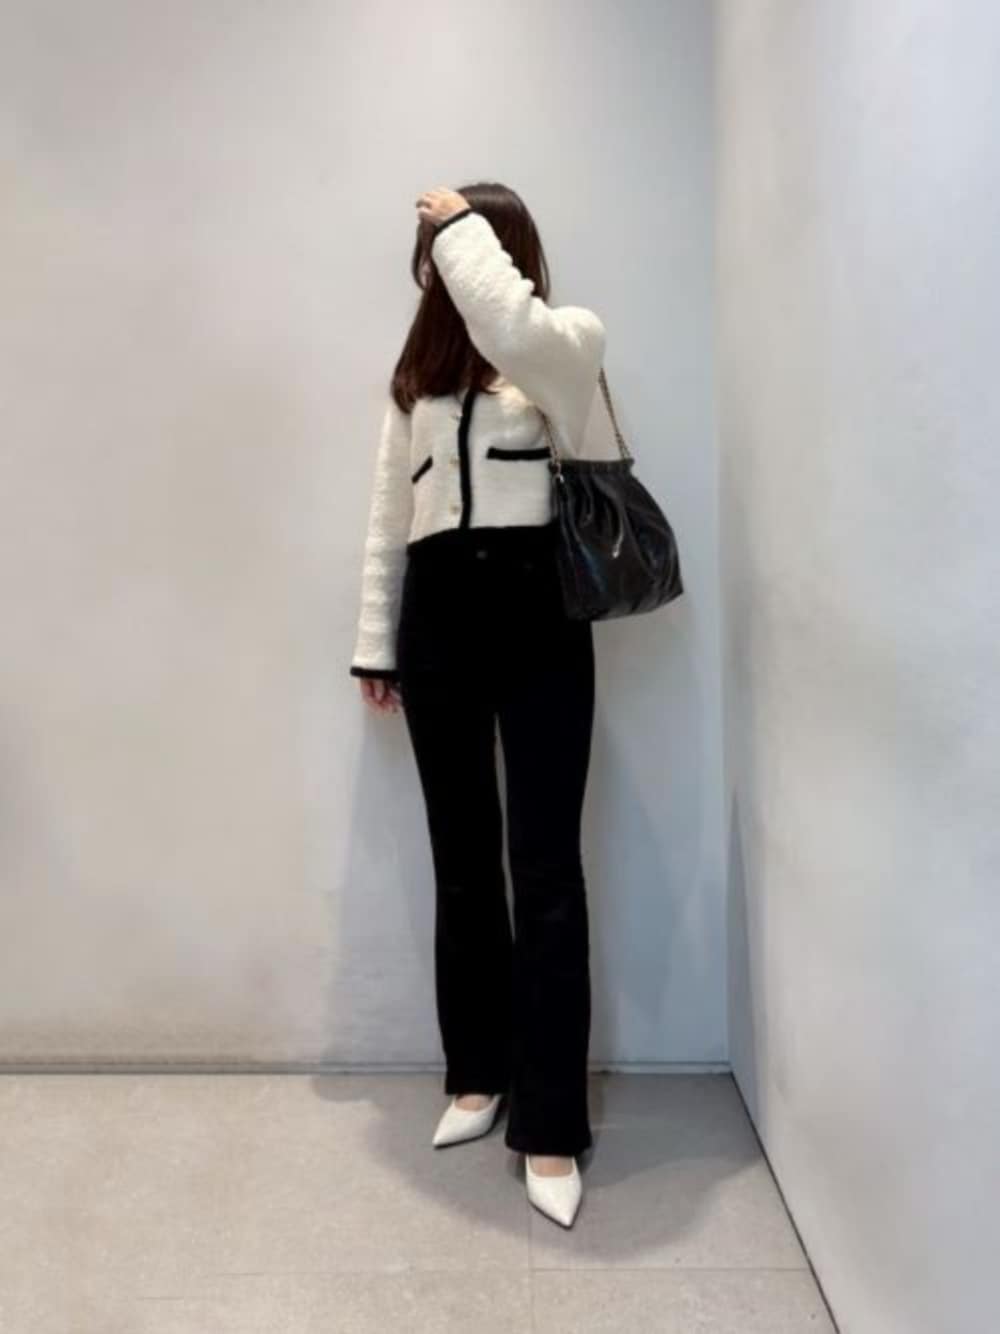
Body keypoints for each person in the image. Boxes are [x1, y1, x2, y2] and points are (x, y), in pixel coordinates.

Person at [349, 181, 606, 1229]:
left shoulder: (565, 344)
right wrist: (376, 644)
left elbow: (510, 327)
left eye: (455, 250)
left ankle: (550, 1120)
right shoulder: (414, 381)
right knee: (461, 859)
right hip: (439, 621)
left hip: (540, 617)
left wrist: (458, 226)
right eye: (436, 253)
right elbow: (387, 517)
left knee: (544, 870)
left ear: (495, 252)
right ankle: (479, 1070)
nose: (441, 268)